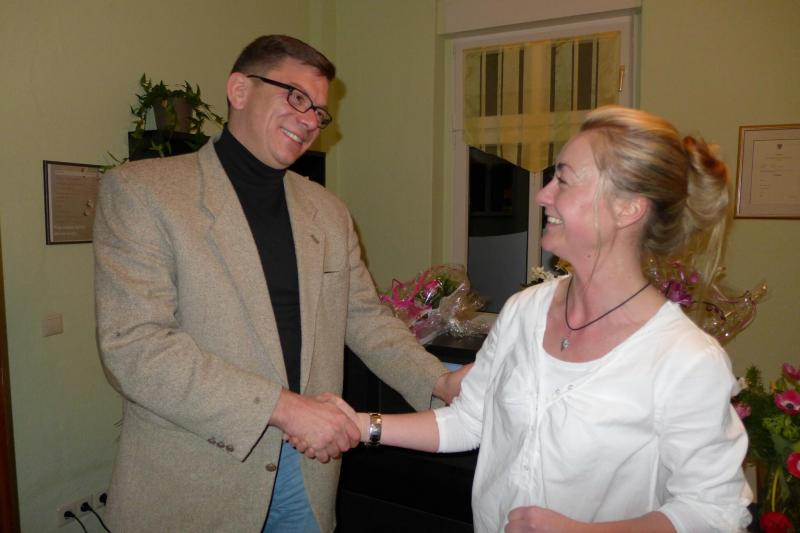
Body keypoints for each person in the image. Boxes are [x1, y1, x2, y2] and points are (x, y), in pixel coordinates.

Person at [93, 34, 466, 533]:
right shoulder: (144, 192)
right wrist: (283, 408)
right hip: (198, 473)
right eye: (296, 97)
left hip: (306, 473)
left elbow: (365, 317)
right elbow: (135, 348)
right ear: (239, 90)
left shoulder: (328, 212)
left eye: (319, 111)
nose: (310, 120)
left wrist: (438, 381)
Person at [329, 106, 753, 532]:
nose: (542, 195)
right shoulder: (525, 310)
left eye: (563, 180)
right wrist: (360, 425)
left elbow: (712, 511)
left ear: (627, 208)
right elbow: (470, 420)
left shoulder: (685, 359)